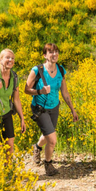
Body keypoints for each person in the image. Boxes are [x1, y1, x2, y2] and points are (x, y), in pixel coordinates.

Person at [24, 43, 79, 176]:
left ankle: (37, 147)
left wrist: (72, 109)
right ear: (45, 55)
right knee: (52, 139)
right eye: (51, 52)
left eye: (56, 52)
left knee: (48, 134)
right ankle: (48, 164)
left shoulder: (61, 70)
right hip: (40, 108)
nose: (54, 54)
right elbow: (26, 89)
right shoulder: (37, 70)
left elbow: (64, 92)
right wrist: (40, 91)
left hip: (54, 107)